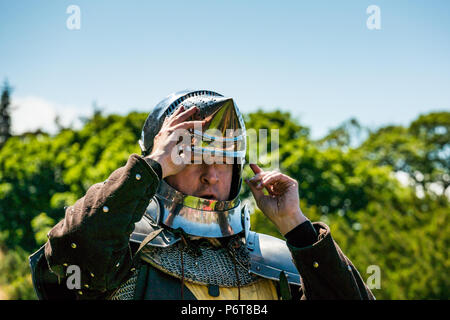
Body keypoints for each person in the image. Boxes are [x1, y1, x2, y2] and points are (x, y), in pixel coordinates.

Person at [29, 90, 375, 300]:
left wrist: (297, 228)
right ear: (163, 163)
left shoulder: (280, 262)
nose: (211, 175)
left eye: (224, 162)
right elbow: (75, 247)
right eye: (192, 159)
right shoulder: (119, 254)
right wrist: (149, 166)